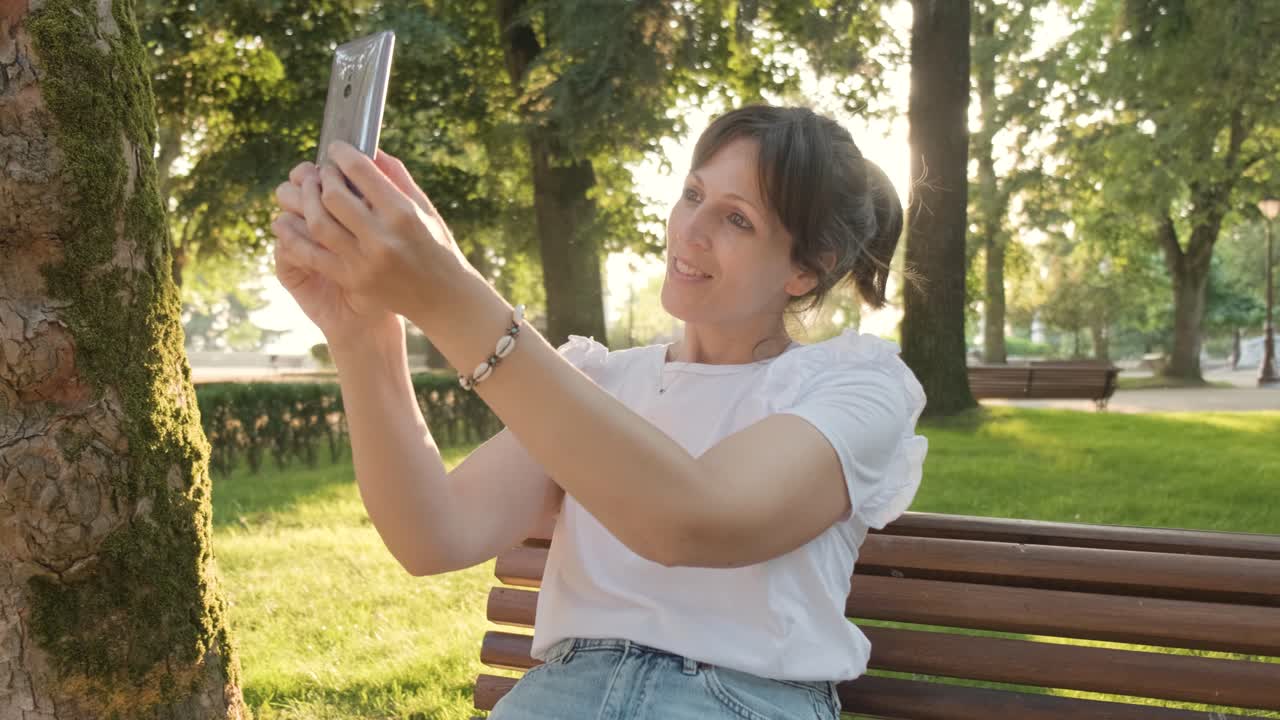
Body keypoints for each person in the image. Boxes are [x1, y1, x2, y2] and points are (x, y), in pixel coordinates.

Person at [271, 104, 928, 720]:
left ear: (808, 270)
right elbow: (434, 535)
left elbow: (693, 521)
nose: (689, 232)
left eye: (737, 219)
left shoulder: (856, 386)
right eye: (693, 195)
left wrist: (450, 296)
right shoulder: (597, 380)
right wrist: (363, 334)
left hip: (738, 702)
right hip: (561, 695)